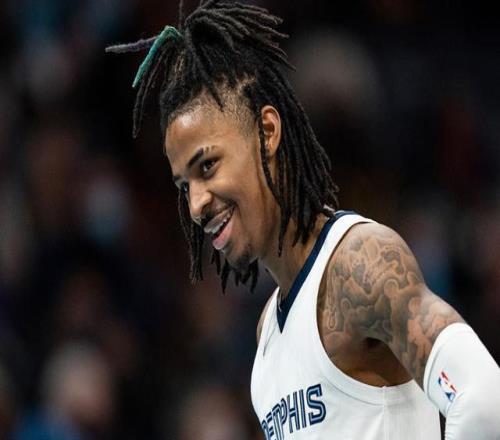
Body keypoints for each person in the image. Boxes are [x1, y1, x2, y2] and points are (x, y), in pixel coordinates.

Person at [106, 1, 500, 438]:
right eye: (184, 186)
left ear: (267, 132)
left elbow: (483, 399)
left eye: (208, 166)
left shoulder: (359, 263)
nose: (196, 204)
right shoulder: (267, 335)